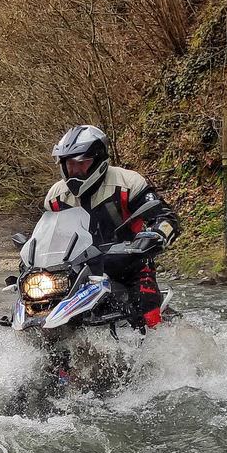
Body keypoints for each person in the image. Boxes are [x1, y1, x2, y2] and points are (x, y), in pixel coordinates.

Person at [44, 125, 180, 328]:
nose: (75, 170)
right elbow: (46, 233)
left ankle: (159, 352)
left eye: (82, 164)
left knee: (146, 312)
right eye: (70, 164)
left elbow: (165, 217)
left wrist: (153, 236)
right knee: (35, 304)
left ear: (98, 160)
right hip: (74, 272)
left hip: (128, 266)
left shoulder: (127, 182)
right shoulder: (56, 195)